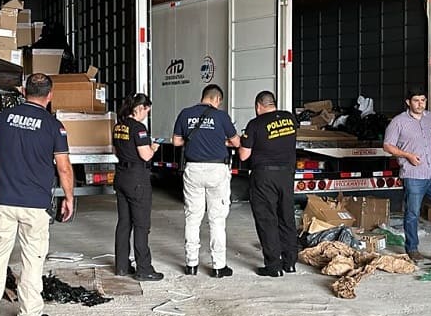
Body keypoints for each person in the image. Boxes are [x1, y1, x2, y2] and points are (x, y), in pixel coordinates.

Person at [0, 73, 74, 316]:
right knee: (32, 259)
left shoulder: (4, 118)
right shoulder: (53, 126)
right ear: (49, 95)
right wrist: (69, 198)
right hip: (35, 204)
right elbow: (63, 168)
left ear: (24, 91)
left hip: (4, 200)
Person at [172, 84, 240, 277]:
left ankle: (191, 264)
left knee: (192, 218)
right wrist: (220, 141)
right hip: (217, 170)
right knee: (217, 220)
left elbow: (176, 141)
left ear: (203, 97)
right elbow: (236, 142)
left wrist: (194, 140)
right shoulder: (221, 116)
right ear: (217, 99)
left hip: (193, 169)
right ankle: (218, 266)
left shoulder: (185, 114)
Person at [382, 87, 431, 261]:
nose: (420, 104)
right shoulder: (398, 122)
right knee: (413, 212)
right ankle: (412, 249)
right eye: (416, 100)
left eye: (423, 100)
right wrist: (407, 156)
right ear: (408, 102)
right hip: (414, 174)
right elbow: (387, 145)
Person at [237, 91, 298, 277]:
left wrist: (243, 142)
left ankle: (273, 266)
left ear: (258, 106)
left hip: (264, 176)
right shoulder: (290, 119)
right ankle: (290, 263)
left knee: (267, 220)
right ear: (273, 103)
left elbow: (243, 155)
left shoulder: (255, 124)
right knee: (286, 217)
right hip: (286, 175)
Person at [112, 93, 163, 281]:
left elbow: (116, 150)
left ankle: (122, 267)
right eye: (146, 112)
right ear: (139, 108)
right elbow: (146, 156)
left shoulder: (118, 126)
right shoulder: (139, 128)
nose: (145, 116)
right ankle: (144, 269)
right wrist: (154, 147)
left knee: (124, 223)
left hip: (121, 176)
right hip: (137, 179)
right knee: (141, 225)